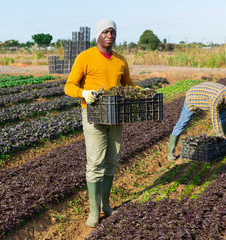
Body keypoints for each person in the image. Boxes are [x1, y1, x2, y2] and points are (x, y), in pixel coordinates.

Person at [64, 19, 139, 227]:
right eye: (105, 32)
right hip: (94, 116)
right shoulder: (85, 57)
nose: (109, 35)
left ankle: (105, 204)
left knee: (112, 162)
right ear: (98, 35)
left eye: (112, 32)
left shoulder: (120, 60)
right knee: (96, 163)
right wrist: (83, 93)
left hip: (115, 117)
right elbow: (68, 86)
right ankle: (94, 210)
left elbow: (128, 85)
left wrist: (142, 92)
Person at [168, 82, 226, 161]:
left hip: (209, 99)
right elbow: (215, 118)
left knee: (224, 118)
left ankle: (220, 145)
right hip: (193, 98)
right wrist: (222, 138)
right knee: (181, 124)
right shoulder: (216, 97)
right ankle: (170, 153)